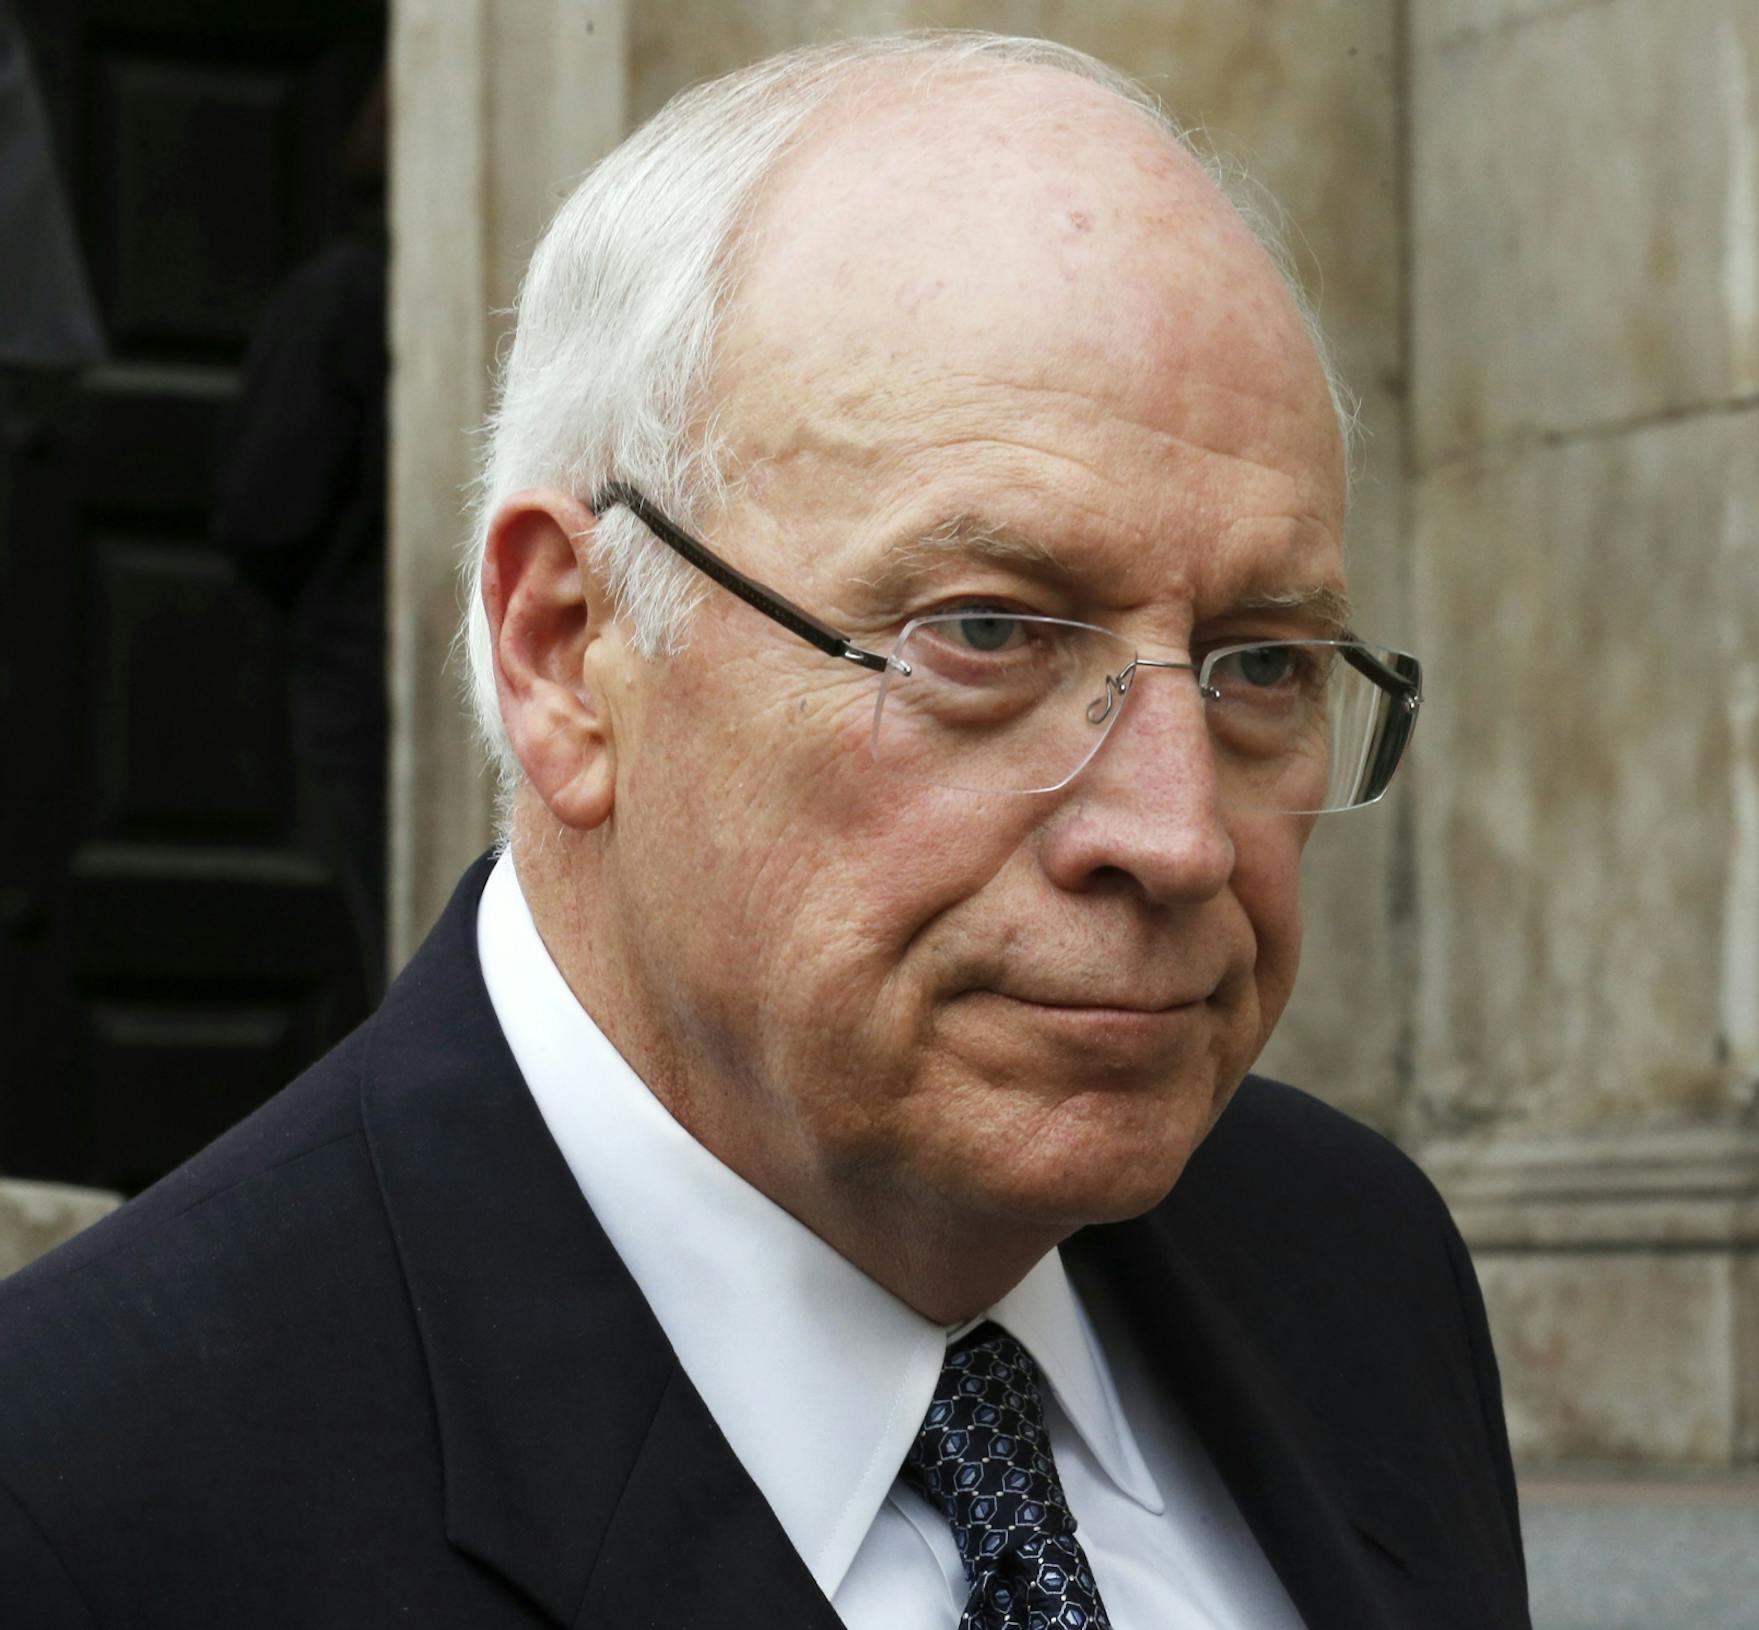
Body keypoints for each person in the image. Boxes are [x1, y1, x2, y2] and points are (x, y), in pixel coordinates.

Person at [0, 32, 1529, 1630]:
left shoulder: (1358, 1265)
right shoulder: (85, 1505)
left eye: (1264, 662)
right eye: (989, 634)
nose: (1180, 833)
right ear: (566, 651)